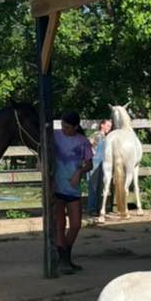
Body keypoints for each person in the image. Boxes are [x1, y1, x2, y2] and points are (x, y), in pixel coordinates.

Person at [52, 111, 93, 274]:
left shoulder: (83, 141)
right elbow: (41, 148)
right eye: (62, 125)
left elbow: (89, 164)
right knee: (59, 224)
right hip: (57, 186)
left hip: (73, 188)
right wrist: (41, 162)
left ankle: (65, 255)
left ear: (76, 127)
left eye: (67, 127)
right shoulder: (55, 136)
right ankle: (64, 259)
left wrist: (80, 172)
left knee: (75, 225)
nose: (64, 129)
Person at [86, 117, 113, 218]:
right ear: (102, 125)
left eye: (110, 126)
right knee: (93, 187)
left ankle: (97, 209)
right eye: (108, 125)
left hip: (102, 163)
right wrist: (90, 155)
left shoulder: (106, 138)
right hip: (94, 162)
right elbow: (87, 144)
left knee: (100, 187)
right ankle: (92, 209)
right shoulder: (97, 135)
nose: (109, 128)